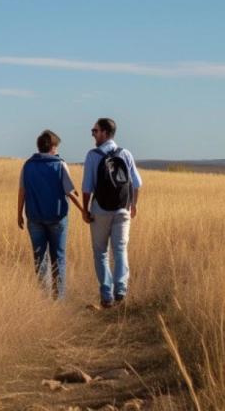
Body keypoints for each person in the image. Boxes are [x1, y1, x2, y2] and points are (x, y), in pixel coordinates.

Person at [81, 118, 143, 308]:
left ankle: (106, 295)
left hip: (100, 210)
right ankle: (121, 290)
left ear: (105, 133)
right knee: (120, 249)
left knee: (100, 252)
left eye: (95, 131)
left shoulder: (93, 155)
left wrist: (85, 209)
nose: (93, 134)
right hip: (122, 209)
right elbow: (137, 183)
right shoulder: (126, 153)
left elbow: (86, 187)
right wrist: (133, 205)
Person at [18, 129, 81, 299]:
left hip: (34, 218)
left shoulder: (28, 165)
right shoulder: (60, 164)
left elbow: (22, 191)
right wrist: (84, 211)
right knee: (58, 257)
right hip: (57, 218)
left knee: (40, 259)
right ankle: (58, 298)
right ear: (52, 147)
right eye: (57, 147)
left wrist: (19, 214)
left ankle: (43, 297)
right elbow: (70, 193)